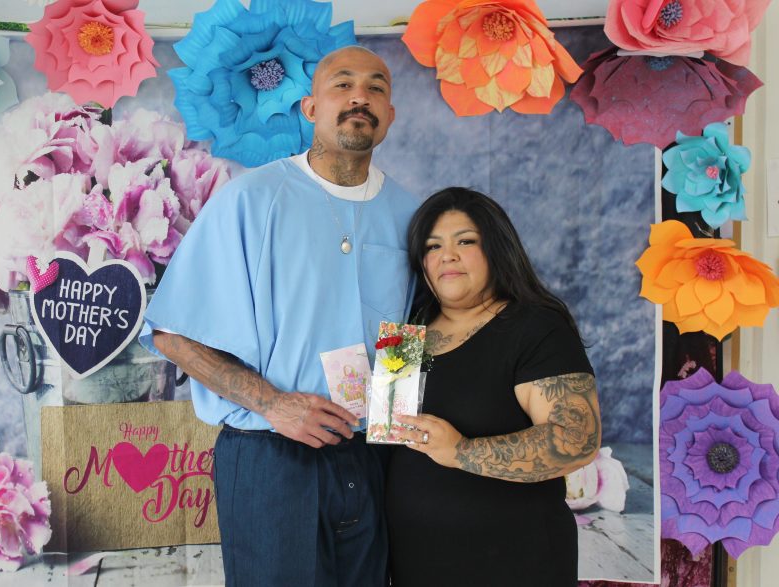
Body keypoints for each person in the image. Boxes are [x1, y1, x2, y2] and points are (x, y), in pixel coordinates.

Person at [139, 46, 420, 586]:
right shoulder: (251, 200)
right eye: (343, 83)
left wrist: (390, 441)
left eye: (376, 87)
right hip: (270, 452)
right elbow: (173, 334)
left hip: (370, 458)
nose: (360, 96)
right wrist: (275, 404)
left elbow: (408, 335)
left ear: (389, 116)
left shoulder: (411, 215)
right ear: (310, 108)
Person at [386, 187, 602, 586]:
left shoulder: (535, 326)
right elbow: (388, 442)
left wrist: (461, 451)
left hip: (515, 561)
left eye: (465, 241)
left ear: (497, 249)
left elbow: (577, 441)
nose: (447, 255)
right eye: (433, 246)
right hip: (414, 561)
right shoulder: (405, 334)